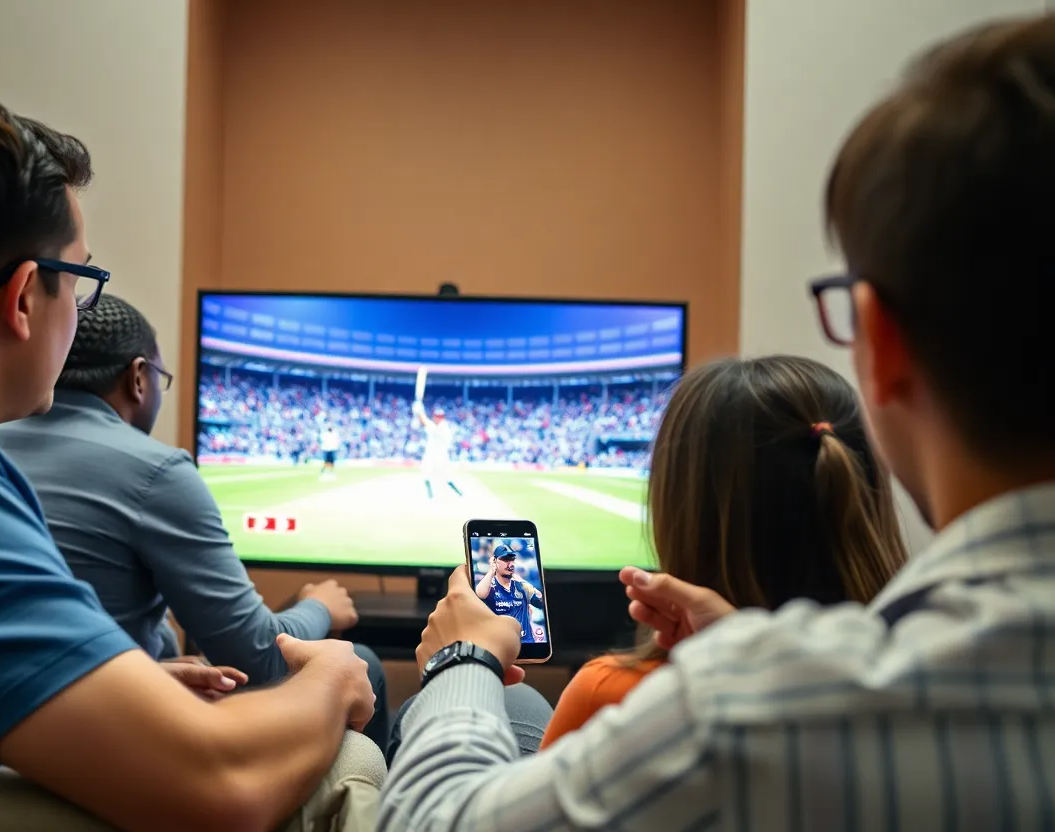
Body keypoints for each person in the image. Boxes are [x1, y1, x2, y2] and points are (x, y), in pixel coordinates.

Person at [378, 13, 1055, 829]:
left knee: (509, 720)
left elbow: (425, 821)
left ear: (878, 341)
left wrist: (461, 659)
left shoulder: (743, 714)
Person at [0, 89, 375, 831]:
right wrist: (337, 679)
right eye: (84, 280)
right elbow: (220, 786)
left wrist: (104, 684)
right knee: (338, 770)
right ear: (25, 298)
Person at [0, 294, 390, 748]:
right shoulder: (156, 470)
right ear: (138, 377)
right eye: (162, 379)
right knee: (362, 663)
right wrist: (319, 606)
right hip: (96, 735)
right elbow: (260, 659)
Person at [540, 355, 907, 748]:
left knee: (520, 699)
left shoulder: (611, 696)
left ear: (681, 509)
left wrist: (473, 660)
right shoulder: (931, 681)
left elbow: (482, 811)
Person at [475, 544, 547, 643]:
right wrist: (491, 571)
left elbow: (541, 602)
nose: (510, 564)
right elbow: (480, 594)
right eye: (505, 559)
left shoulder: (522, 586)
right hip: (499, 644)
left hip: (526, 644)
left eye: (512, 559)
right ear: (495, 561)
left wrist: (522, 581)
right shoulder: (489, 586)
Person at [413, 401, 463, 498]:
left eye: (438, 416)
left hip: (440, 457)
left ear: (441, 418)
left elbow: (425, 422)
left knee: (446, 478)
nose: (435, 418)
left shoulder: (443, 428)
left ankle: (458, 493)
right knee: (426, 473)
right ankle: (430, 494)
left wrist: (419, 411)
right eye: (435, 416)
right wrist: (419, 411)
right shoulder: (436, 426)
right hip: (432, 456)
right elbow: (425, 421)